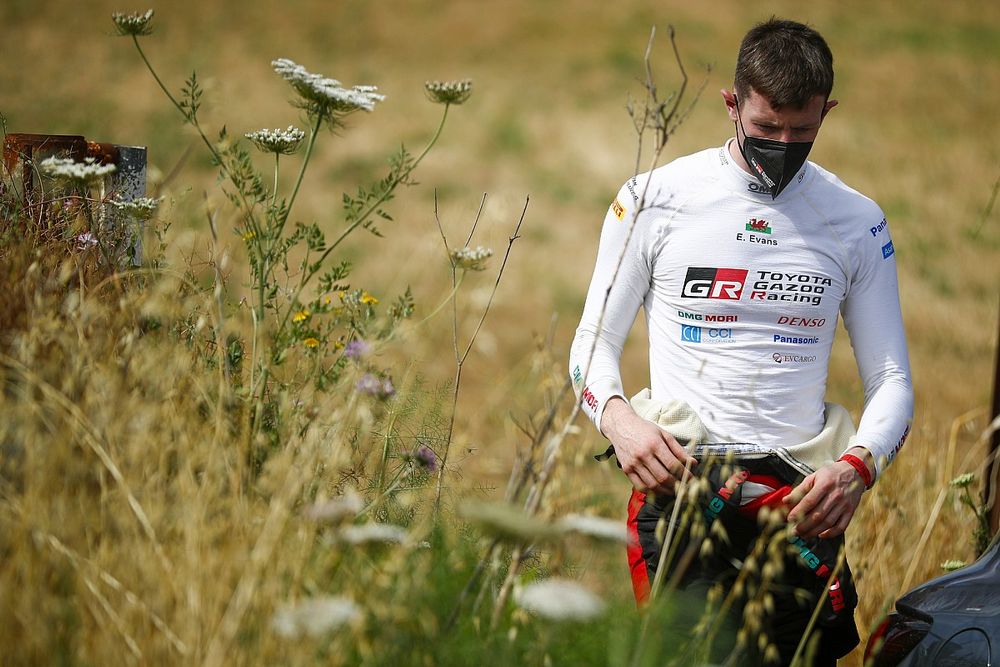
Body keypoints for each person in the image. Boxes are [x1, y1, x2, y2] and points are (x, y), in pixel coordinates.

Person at [569, 18, 913, 666]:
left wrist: (857, 467)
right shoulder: (654, 199)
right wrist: (621, 424)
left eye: (801, 132)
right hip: (683, 488)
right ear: (732, 103)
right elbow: (591, 341)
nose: (782, 145)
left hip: (801, 503)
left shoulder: (857, 220)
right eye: (765, 129)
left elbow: (891, 377)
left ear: (827, 112)